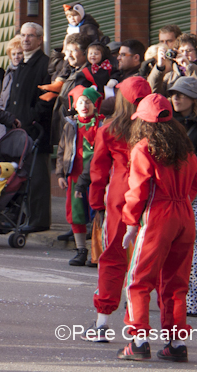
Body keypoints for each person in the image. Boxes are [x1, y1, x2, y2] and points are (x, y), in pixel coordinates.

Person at [118, 94, 197, 362]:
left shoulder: (144, 148)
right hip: (185, 215)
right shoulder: (186, 149)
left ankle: (139, 341)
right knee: (176, 285)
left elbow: (137, 190)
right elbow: (193, 187)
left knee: (139, 281)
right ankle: (176, 344)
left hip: (158, 216)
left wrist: (131, 223)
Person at [84, 76, 152, 339]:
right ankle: (140, 325)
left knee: (112, 257)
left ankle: (102, 323)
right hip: (151, 197)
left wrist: (95, 204)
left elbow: (98, 172)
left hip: (119, 199)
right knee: (145, 261)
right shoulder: (155, 130)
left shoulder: (108, 129)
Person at [166, 77, 197, 317]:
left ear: (194, 99)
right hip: (165, 190)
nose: (176, 98)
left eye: (182, 94)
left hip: (191, 190)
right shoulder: (164, 122)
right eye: (174, 93)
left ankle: (194, 303)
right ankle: (142, 297)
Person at [5, 23, 53, 232]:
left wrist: (32, 118)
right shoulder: (21, 63)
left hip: (36, 130)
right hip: (18, 130)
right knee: (20, 176)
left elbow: (47, 97)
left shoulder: (45, 64)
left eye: (30, 36)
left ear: (39, 39)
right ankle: (21, 217)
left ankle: (38, 221)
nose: (25, 39)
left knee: (38, 177)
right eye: (23, 35)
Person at [56, 86, 101, 266]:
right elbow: (62, 151)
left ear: (95, 105)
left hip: (96, 178)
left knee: (97, 214)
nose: (84, 105)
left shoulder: (101, 125)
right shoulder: (71, 126)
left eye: (88, 102)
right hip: (74, 176)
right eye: (80, 102)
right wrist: (60, 173)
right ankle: (81, 249)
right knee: (76, 214)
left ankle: (97, 251)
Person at [148, 33, 197, 111]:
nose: (185, 54)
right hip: (177, 118)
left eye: (189, 51)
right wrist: (159, 66)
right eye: (181, 51)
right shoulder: (171, 74)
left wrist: (189, 67)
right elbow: (153, 92)